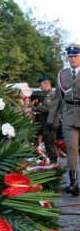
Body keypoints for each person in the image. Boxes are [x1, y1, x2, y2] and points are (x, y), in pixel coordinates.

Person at [47, 44, 80, 196]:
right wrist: (50, 120)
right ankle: (73, 182)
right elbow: (56, 100)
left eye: (75, 56)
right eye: (70, 56)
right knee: (72, 148)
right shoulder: (62, 75)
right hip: (68, 115)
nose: (72, 59)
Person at [32, 76, 59, 162]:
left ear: (46, 84)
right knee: (49, 143)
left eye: (41, 85)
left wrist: (34, 108)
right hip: (49, 123)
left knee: (49, 144)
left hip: (50, 123)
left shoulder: (50, 94)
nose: (40, 87)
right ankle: (53, 162)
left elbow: (46, 108)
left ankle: (54, 162)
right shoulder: (49, 94)